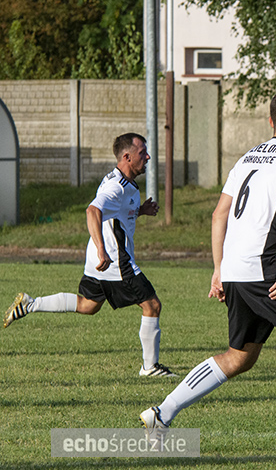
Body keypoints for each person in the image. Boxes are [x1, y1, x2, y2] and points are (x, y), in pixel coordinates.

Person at [139, 89, 276, 460]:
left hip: (237, 267)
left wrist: (219, 269)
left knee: (241, 356)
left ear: (270, 121)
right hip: (265, 266)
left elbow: (219, 213)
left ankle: (162, 413)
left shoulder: (248, 156)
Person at [3, 133, 176, 377]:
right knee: (152, 305)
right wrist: (102, 249)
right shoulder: (116, 186)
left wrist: (140, 211)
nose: (147, 156)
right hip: (114, 261)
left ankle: (30, 304)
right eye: (142, 153)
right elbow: (92, 210)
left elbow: (112, 213)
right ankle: (150, 367)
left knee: (88, 305)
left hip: (97, 262)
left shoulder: (123, 183)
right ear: (126, 157)